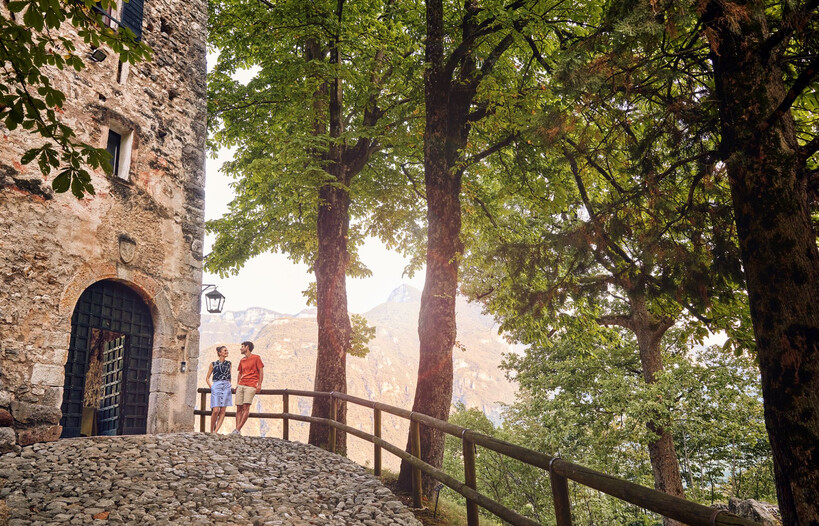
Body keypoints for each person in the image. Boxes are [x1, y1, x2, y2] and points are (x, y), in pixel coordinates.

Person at [232, 340, 263, 435]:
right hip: (241, 385)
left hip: (251, 385)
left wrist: (259, 384)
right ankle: (237, 430)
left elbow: (261, 371)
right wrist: (237, 384)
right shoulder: (242, 360)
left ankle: (237, 429)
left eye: (242, 346)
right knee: (238, 408)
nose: (240, 348)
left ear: (247, 347)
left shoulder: (257, 358)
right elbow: (240, 373)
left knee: (246, 407)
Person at [206, 345, 232, 433]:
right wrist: (212, 387)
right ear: (220, 353)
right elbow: (207, 378)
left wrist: (229, 385)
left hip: (226, 385)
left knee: (223, 410)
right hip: (216, 385)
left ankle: (216, 431)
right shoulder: (213, 364)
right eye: (225, 350)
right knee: (215, 410)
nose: (226, 352)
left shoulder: (229, 364)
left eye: (227, 350)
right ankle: (211, 430)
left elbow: (230, 376)